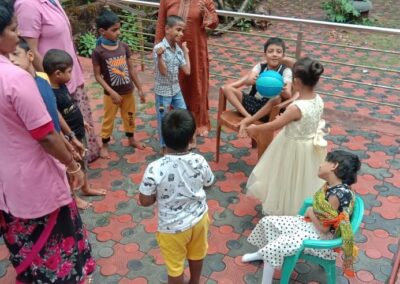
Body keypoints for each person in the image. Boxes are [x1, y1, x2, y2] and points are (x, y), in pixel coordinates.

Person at [0, 2, 94, 283]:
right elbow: (46, 134)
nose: (18, 37)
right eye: (14, 30)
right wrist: (72, 165)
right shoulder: (16, 79)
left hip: (8, 183)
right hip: (35, 181)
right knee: (55, 244)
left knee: (23, 243)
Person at [241, 150, 361, 283]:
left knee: (274, 247)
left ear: (334, 166)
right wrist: (313, 212)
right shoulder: (333, 187)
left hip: (323, 239)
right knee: (268, 222)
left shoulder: (336, 195)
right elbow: (324, 215)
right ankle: (262, 254)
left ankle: (266, 275)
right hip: (313, 226)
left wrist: (310, 211)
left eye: (325, 161)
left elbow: (324, 229)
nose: (320, 165)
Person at [14, 0, 101, 162]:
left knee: (78, 118)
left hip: (67, 75)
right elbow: (30, 51)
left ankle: (84, 160)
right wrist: (50, 83)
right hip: (55, 81)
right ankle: (73, 165)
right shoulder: (27, 5)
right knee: (65, 124)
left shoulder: (51, 1)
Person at [139, 109, 214, 284]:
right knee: (197, 254)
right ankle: (194, 281)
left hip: (171, 228)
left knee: (175, 267)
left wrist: (159, 194)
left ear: (163, 137)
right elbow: (209, 182)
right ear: (191, 138)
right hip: (199, 219)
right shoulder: (199, 160)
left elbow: (144, 201)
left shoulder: (155, 168)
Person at [246, 57, 327, 216]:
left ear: (296, 82)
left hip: (292, 146)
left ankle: (286, 210)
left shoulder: (296, 107)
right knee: (303, 180)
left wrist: (256, 128)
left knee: (288, 177)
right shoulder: (318, 99)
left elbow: (275, 125)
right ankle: (301, 207)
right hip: (309, 147)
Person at [43, 49, 107, 209]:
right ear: (57, 73)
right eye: (69, 71)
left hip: (78, 132)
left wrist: (83, 120)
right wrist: (68, 138)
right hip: (68, 138)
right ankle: (74, 197)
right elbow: (57, 117)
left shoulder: (62, 85)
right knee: (72, 169)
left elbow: (70, 105)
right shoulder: (50, 94)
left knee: (82, 162)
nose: (71, 75)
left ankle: (86, 187)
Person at [9, 37, 85, 163]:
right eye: (7, 57)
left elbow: (54, 113)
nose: (12, 60)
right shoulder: (23, 89)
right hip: (48, 146)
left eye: (15, 54)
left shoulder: (44, 79)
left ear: (30, 55)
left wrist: (70, 137)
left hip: (61, 138)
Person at [155, 0, 219, 137]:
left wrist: (206, 14)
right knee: (173, 80)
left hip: (195, 49)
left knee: (195, 83)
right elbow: (161, 23)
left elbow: (214, 23)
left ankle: (197, 122)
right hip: (170, 49)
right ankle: (174, 120)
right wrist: (157, 47)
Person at [92, 9, 146, 159]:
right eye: (114, 30)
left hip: (128, 91)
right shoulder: (98, 52)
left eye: (119, 28)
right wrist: (112, 92)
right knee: (108, 120)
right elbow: (97, 76)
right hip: (111, 95)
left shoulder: (123, 47)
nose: (118, 32)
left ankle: (131, 139)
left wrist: (140, 89)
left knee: (129, 116)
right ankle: (104, 145)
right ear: (103, 31)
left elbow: (131, 69)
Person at [221, 37, 293, 129]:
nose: (274, 54)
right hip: (252, 103)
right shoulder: (260, 67)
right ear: (265, 55)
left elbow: (288, 95)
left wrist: (283, 91)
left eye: (278, 52)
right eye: (270, 51)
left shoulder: (286, 71)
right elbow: (248, 80)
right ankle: (247, 116)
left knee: (277, 98)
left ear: (283, 55)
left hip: (268, 111)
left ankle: (250, 119)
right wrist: (249, 80)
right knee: (227, 88)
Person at [154, 15, 190, 154]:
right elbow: (163, 72)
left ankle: (181, 143)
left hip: (176, 89)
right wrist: (159, 56)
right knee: (163, 120)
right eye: (178, 30)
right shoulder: (159, 48)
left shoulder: (178, 49)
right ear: (167, 29)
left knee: (183, 114)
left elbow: (187, 71)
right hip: (163, 92)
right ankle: (164, 148)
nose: (181, 34)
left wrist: (186, 53)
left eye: (183, 31)